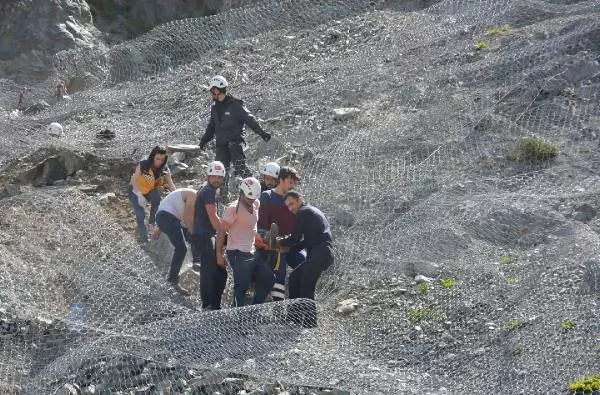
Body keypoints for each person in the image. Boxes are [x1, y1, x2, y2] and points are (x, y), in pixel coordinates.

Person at [199, 75, 272, 200]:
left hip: (234, 143)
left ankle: (258, 190)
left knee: (241, 167)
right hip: (221, 145)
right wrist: (203, 141)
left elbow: (249, 119)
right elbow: (211, 127)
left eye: (212, 90)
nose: (211, 93)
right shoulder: (215, 108)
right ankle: (223, 197)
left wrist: (262, 133)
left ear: (217, 89)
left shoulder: (235, 105)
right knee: (221, 171)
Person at [277, 191, 334, 328]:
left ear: (300, 199)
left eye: (292, 204)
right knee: (294, 278)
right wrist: (289, 248)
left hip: (320, 252)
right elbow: (307, 241)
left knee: (306, 285)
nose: (291, 208)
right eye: (288, 206)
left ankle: (309, 324)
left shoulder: (304, 212)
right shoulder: (311, 212)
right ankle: (294, 319)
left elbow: (295, 238)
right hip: (323, 252)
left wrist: (278, 242)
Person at [215, 177, 274, 307]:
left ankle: (253, 310)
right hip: (236, 252)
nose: (251, 201)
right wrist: (219, 254)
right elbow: (221, 232)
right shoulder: (233, 209)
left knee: (268, 278)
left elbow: (252, 226)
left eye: (253, 198)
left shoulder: (256, 203)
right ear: (241, 192)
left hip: (251, 250)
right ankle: (238, 318)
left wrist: (257, 236)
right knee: (241, 285)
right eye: (248, 198)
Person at [257, 166, 306, 301]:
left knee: (305, 263)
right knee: (281, 267)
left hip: (293, 243)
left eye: (295, 183)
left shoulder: (295, 199)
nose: (293, 186)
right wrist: (270, 239)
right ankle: (278, 306)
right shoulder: (267, 196)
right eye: (291, 182)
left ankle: (299, 303)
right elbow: (261, 226)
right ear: (281, 180)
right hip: (275, 244)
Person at [190, 161, 227, 310]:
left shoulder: (206, 190)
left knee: (217, 271)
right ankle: (207, 305)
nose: (216, 179)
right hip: (205, 237)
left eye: (219, 177)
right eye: (214, 176)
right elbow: (214, 219)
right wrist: (225, 233)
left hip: (204, 236)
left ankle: (213, 304)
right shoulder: (208, 192)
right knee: (209, 271)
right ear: (208, 175)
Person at [153, 187, 197, 295]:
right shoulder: (194, 195)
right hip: (167, 217)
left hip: (164, 217)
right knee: (181, 249)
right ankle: (172, 280)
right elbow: (187, 218)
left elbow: (170, 206)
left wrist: (159, 227)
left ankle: (198, 261)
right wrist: (194, 234)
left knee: (189, 242)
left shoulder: (193, 199)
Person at [128, 146, 176, 244]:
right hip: (135, 191)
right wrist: (139, 194)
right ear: (153, 157)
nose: (160, 161)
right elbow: (134, 179)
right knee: (140, 215)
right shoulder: (144, 165)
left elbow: (171, 187)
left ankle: (151, 221)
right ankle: (144, 240)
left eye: (162, 159)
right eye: (157, 159)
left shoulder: (164, 169)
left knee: (156, 196)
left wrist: (179, 194)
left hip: (149, 191)